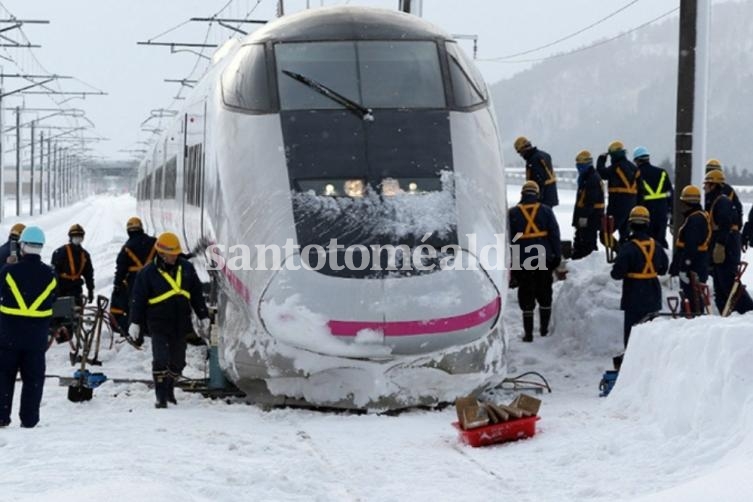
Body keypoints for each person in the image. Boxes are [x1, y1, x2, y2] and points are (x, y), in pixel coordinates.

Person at [129, 232, 210, 408]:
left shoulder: (187, 268)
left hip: (180, 323)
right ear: (161, 253)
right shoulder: (147, 274)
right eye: (171, 253)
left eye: (176, 253)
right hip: (158, 323)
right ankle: (161, 397)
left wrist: (203, 316)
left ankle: (170, 389)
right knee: (160, 359)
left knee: (178, 362)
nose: (175, 256)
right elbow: (138, 300)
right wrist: (134, 322)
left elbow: (196, 295)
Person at [0, 226, 57, 428]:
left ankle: (1, 416)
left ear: (22, 246)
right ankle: (30, 419)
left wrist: (9, 266)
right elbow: (53, 300)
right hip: (35, 339)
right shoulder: (50, 275)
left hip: (8, 337)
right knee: (33, 380)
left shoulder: (8, 272)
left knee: (4, 377)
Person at [508, 181, 562, 342]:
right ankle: (544, 330)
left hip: (523, 259)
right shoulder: (545, 211)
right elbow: (554, 234)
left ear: (522, 194)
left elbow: (509, 240)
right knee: (545, 293)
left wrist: (512, 263)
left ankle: (529, 333)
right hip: (543, 257)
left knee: (526, 295)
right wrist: (557, 255)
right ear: (536, 194)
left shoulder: (513, 213)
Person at [610, 206, 668, 347]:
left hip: (634, 295)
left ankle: (632, 362)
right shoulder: (657, 246)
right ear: (647, 224)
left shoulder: (628, 248)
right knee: (650, 334)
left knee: (632, 335)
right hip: (652, 295)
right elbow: (663, 269)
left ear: (631, 224)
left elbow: (616, 274)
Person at [703, 170, 753, 314]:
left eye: (707, 184)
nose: (705, 187)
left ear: (714, 185)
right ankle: (727, 315)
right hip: (725, 244)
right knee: (720, 287)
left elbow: (726, 224)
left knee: (728, 283)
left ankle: (748, 311)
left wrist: (721, 245)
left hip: (728, 245)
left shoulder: (722, 201)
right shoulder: (714, 201)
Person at [669, 186, 711, 314]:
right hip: (697, 264)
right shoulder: (697, 216)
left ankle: (692, 323)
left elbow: (690, 247)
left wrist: (684, 268)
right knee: (693, 300)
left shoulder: (695, 220)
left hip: (693, 267)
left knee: (693, 301)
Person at [111, 217, 157, 333]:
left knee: (136, 304)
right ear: (141, 228)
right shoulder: (154, 242)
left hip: (135, 281)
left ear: (128, 231)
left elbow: (120, 269)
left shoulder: (126, 248)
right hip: (154, 278)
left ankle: (139, 329)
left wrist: (117, 285)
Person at [597, 140, 640, 244]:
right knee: (625, 235)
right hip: (632, 206)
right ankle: (625, 255)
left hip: (617, 206)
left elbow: (602, 173)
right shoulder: (634, 168)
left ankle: (620, 252)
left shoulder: (615, 168)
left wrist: (601, 160)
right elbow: (641, 189)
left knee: (605, 234)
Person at [635, 146, 673, 248]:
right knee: (660, 239)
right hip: (662, 210)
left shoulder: (636, 174)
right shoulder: (662, 173)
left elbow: (635, 195)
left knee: (646, 241)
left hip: (645, 211)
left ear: (637, 161)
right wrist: (672, 213)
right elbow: (670, 195)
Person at [571, 150, 605, 259]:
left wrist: (583, 218)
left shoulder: (592, 179)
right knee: (581, 241)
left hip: (591, 218)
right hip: (587, 216)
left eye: (580, 164)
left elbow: (590, 201)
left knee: (587, 243)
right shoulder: (586, 177)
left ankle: (586, 263)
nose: (578, 167)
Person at [51, 224, 94, 304]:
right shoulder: (60, 252)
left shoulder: (85, 255)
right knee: (61, 314)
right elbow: (54, 273)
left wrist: (90, 290)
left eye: (80, 237)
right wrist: (54, 291)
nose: (78, 239)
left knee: (77, 313)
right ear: (70, 238)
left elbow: (89, 274)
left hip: (76, 289)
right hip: (61, 289)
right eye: (75, 237)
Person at [514, 136, 559, 207]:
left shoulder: (533, 160)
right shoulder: (544, 155)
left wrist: (526, 200)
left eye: (520, 152)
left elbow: (537, 182)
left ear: (523, 149)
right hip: (550, 196)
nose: (520, 155)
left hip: (542, 199)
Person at [705, 159, 743, 231]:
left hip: (718, 231)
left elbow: (737, 208)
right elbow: (738, 208)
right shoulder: (729, 190)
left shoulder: (727, 191)